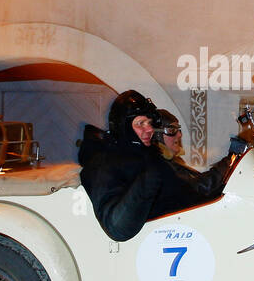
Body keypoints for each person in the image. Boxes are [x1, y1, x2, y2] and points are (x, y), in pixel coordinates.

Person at [78, 91, 221, 241]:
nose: (149, 129)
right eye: (140, 123)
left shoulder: (148, 156)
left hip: (185, 228)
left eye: (150, 123)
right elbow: (117, 228)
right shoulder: (104, 164)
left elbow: (189, 192)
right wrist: (147, 181)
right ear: (124, 127)